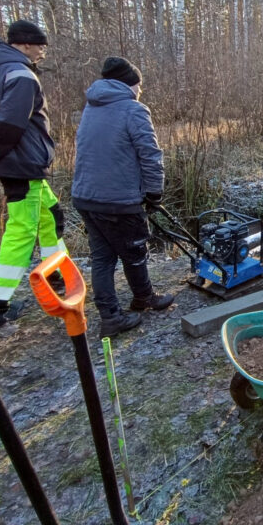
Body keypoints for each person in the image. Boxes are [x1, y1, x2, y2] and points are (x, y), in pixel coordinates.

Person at [0, 19, 67, 331]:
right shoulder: (21, 75)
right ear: (24, 44)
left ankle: (55, 276)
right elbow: (9, 125)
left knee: (51, 214)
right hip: (21, 164)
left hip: (18, 162)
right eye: (40, 46)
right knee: (22, 231)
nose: (43, 52)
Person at [71, 57, 175, 339]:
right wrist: (154, 192)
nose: (140, 90)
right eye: (139, 85)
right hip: (117, 200)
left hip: (85, 197)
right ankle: (144, 298)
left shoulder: (91, 108)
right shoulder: (133, 110)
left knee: (102, 258)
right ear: (130, 84)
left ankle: (110, 315)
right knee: (135, 251)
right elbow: (150, 155)